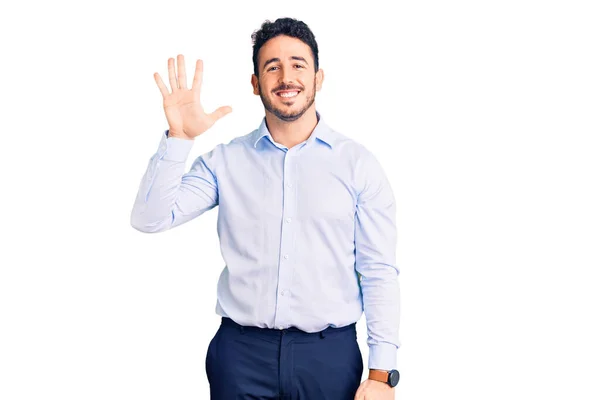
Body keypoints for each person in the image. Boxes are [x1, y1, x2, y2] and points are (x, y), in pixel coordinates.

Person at [130, 17, 400, 400]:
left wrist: (381, 373)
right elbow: (149, 219)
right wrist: (179, 138)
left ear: (318, 78)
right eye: (272, 67)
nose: (286, 76)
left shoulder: (357, 165)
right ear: (256, 84)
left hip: (329, 356)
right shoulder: (224, 162)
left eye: (297, 65)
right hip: (240, 357)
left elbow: (378, 271)